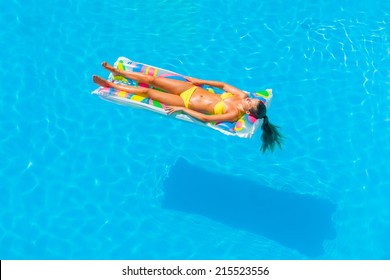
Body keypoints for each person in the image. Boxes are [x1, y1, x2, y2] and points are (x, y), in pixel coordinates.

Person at [93, 62, 283, 153]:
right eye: (252, 99)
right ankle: (117, 71)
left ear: (250, 112)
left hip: (185, 102)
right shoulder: (241, 95)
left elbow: (206, 119)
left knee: (148, 93)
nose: (249, 99)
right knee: (152, 80)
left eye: (251, 103)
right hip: (188, 89)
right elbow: (223, 85)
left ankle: (113, 86)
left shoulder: (233, 114)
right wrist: (198, 81)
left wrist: (184, 111)